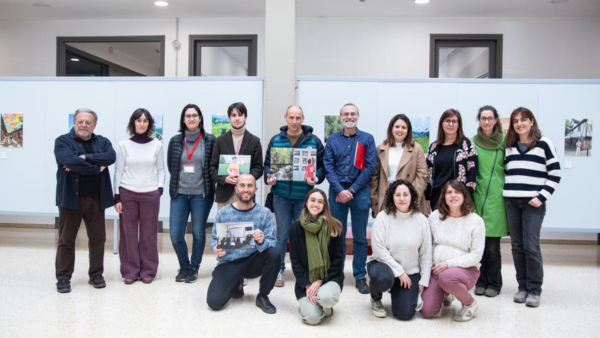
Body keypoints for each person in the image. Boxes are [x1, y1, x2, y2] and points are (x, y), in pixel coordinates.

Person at [503, 107, 561, 308]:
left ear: (532, 122)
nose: (520, 124)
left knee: (531, 246)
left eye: (523, 120)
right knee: (517, 246)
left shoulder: (544, 144)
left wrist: (542, 196)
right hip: (512, 202)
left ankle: (535, 289)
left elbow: (555, 173)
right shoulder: (509, 146)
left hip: (532, 204)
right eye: (516, 121)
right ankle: (523, 287)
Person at [54, 108, 116, 293]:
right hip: (70, 199)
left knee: (98, 239)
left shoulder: (103, 142)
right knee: (66, 239)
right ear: (74, 123)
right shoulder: (62, 141)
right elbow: (67, 160)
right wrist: (96, 168)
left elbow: (111, 157)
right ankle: (63, 278)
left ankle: (96, 274)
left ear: (94, 124)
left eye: (88, 122)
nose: (83, 125)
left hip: (96, 199)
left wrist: (83, 158)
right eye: (80, 121)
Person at [264, 105, 325, 287]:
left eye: (298, 118)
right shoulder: (276, 140)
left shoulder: (313, 141)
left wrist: (317, 177)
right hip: (281, 194)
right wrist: (269, 176)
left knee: (304, 234)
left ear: (303, 118)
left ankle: (304, 271)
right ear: (285, 118)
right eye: (291, 117)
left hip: (303, 197)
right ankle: (279, 269)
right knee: (281, 235)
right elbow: (267, 164)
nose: (294, 121)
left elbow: (322, 166)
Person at [206, 174, 279, 314]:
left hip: (253, 261)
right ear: (236, 189)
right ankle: (237, 284)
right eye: (242, 185)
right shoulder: (223, 213)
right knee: (214, 303)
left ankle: (263, 295)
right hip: (229, 262)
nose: (246, 189)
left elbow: (272, 242)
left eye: (250, 185)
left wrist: (262, 241)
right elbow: (214, 239)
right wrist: (215, 248)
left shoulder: (264, 213)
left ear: (255, 189)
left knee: (274, 253)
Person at [324, 103, 376, 294]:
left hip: (359, 191)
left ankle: (360, 276)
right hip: (337, 192)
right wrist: (340, 190)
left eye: (352, 113)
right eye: (346, 114)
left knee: (360, 237)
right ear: (340, 117)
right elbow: (328, 166)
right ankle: (336, 273)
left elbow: (370, 167)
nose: (349, 116)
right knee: (336, 234)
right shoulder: (332, 140)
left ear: (358, 116)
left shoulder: (367, 139)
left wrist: (352, 190)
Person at [421, 180, 485, 322]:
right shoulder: (434, 217)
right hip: (437, 270)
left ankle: (470, 304)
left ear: (464, 196)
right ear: (443, 196)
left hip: (465, 270)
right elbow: (427, 247)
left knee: (447, 277)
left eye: (457, 192)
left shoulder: (476, 221)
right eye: (449, 192)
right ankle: (447, 292)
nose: (453, 196)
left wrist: (448, 264)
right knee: (426, 311)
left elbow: (476, 255)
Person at [114, 108, 165, 284]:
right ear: (133, 123)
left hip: (150, 194)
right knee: (128, 233)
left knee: (148, 234)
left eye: (145, 121)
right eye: (138, 120)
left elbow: (160, 169)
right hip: (127, 194)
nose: (142, 123)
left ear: (149, 124)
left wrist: (159, 189)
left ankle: (148, 271)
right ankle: (130, 271)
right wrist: (117, 196)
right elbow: (118, 171)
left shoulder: (157, 145)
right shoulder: (124, 145)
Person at [367, 180, 432, 320]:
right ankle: (376, 298)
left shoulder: (421, 220)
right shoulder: (382, 218)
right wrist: (399, 271)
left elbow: (426, 254)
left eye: (405, 194)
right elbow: (379, 251)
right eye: (397, 195)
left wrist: (423, 280)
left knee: (405, 314)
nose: (402, 198)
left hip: (409, 273)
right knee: (383, 277)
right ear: (392, 197)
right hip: (383, 266)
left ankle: (397, 290)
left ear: (412, 196)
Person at [167, 104, 216, 283]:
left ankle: (194, 267)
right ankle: (184, 266)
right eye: (188, 116)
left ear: (200, 118)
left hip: (201, 195)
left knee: (198, 232)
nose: (191, 119)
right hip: (179, 193)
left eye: (195, 115)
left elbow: (213, 166)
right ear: (183, 119)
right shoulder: (175, 141)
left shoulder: (210, 140)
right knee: (175, 234)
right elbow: (171, 166)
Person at [289, 189, 344, 325]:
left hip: (330, 277)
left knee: (325, 297)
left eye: (320, 201)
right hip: (306, 280)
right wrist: (308, 284)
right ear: (306, 202)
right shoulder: (295, 228)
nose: (316, 204)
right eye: (312, 200)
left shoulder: (335, 226)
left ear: (324, 205)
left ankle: (325, 304)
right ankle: (311, 308)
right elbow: (295, 260)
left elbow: (338, 260)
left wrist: (320, 280)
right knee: (312, 319)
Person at [472, 105, 509, 298]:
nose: (486, 121)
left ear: (496, 120)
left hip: (497, 199)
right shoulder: (472, 142)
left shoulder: (505, 142)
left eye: (490, 118)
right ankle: (481, 280)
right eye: (483, 118)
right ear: (478, 120)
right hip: (477, 198)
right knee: (479, 246)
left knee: (493, 247)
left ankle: (494, 282)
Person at [371, 114, 429, 217]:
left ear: (408, 130)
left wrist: (410, 197)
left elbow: (422, 176)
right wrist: (374, 200)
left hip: (409, 200)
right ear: (391, 128)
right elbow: (374, 176)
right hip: (386, 199)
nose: (400, 130)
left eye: (403, 127)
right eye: (397, 126)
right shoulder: (381, 148)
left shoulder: (416, 148)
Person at [210, 102, 263, 209]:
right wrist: (225, 179)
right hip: (225, 194)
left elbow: (258, 168)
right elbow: (212, 168)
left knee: (246, 225)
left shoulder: (254, 141)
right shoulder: (220, 140)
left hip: (246, 194)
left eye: (240, 115)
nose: (237, 118)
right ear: (229, 117)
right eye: (234, 115)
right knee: (224, 225)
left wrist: (245, 179)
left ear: (245, 117)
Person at [426, 109, 478, 210]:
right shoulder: (433, 147)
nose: (450, 124)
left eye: (454, 121)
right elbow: (427, 175)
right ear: (442, 124)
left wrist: (466, 194)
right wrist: (426, 197)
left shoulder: (467, 144)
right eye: (447, 121)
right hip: (437, 198)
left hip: (458, 198)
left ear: (459, 124)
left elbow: (473, 172)